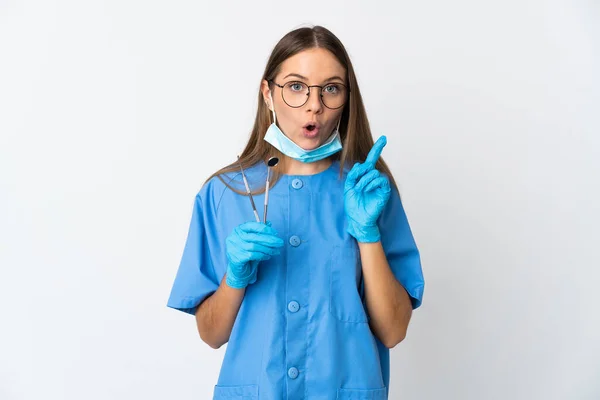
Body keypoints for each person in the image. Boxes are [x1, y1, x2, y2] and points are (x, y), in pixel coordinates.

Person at [167, 25, 425, 400]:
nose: (314, 105)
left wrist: (367, 234)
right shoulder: (223, 194)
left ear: (346, 98)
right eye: (296, 86)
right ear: (268, 94)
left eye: (331, 88)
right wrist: (235, 277)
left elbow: (393, 330)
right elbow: (212, 334)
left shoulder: (368, 192)